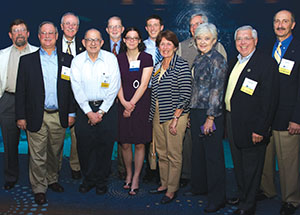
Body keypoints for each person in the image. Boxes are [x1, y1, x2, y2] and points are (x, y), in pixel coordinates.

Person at [15, 21, 75, 205]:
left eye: (51, 33)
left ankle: (52, 179)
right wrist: (20, 116)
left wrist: (71, 113)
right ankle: (39, 187)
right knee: (38, 154)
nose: (47, 36)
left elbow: (72, 89)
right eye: (43, 33)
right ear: (39, 36)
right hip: (35, 114)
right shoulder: (27, 61)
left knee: (55, 151)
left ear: (57, 36)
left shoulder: (68, 60)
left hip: (59, 114)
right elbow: (21, 91)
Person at [224, 25, 278, 215]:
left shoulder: (266, 63)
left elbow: (269, 100)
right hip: (233, 121)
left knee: (251, 168)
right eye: (239, 39)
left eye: (246, 38)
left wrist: (260, 129)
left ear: (255, 41)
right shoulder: (235, 62)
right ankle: (242, 194)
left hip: (252, 125)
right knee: (238, 164)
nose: (242, 43)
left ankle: (248, 205)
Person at [177, 13, 227, 188]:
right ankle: (199, 188)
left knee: (213, 156)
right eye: (200, 39)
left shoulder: (217, 60)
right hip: (197, 111)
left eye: (207, 38)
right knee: (199, 153)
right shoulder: (199, 58)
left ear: (213, 40)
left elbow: (216, 90)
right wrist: (190, 112)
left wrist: (210, 118)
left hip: (209, 113)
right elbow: (194, 89)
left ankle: (217, 197)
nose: (203, 42)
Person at [70, 29, 120, 195]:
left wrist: (101, 111)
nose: (93, 43)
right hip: (85, 110)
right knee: (85, 147)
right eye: (89, 40)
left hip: (107, 110)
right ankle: (88, 179)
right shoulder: (77, 61)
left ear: (102, 42)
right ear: (83, 42)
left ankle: (101, 181)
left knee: (104, 147)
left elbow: (114, 86)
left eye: (96, 40)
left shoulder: (110, 59)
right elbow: (76, 87)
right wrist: (89, 112)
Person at [259, 10, 300, 215]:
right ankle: (267, 190)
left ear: (293, 25)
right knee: (266, 158)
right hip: (267, 116)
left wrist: (297, 118)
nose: (280, 25)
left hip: (288, 117)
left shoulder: (298, 49)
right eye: (277, 21)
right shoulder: (267, 47)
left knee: (288, 161)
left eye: (285, 21)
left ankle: (291, 199)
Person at [149, 30, 192, 204]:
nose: (165, 47)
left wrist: (176, 118)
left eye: (168, 44)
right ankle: (164, 183)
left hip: (175, 114)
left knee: (174, 154)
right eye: (162, 44)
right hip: (158, 113)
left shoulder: (181, 65)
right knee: (162, 152)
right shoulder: (158, 65)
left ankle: (172, 189)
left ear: (175, 46)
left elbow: (186, 93)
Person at [0, 19, 38, 190]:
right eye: (16, 30)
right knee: (9, 142)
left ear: (28, 33)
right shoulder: (2, 55)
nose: (20, 33)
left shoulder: (39, 53)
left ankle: (36, 179)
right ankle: (10, 176)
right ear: (10, 35)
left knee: (35, 143)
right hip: (8, 100)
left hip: (31, 101)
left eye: (23, 29)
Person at [117, 27, 153, 195]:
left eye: (135, 38)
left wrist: (131, 105)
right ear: (124, 40)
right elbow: (115, 82)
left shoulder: (147, 58)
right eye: (128, 38)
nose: (132, 41)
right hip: (122, 102)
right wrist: (124, 103)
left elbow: (144, 84)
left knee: (139, 143)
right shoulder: (118, 58)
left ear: (140, 40)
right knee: (124, 143)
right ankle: (129, 174)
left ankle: (137, 177)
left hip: (141, 104)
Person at [57, 12, 85, 180]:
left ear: (78, 27)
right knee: (57, 137)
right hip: (58, 97)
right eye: (67, 23)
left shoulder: (84, 46)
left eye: (74, 24)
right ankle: (56, 167)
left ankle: (76, 166)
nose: (71, 27)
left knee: (77, 137)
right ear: (61, 26)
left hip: (78, 98)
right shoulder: (51, 45)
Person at [103, 16, 126, 180]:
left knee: (123, 136)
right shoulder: (100, 47)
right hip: (105, 99)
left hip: (124, 98)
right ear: (107, 30)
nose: (115, 30)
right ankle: (104, 166)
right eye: (111, 27)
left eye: (117, 26)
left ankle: (122, 168)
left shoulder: (131, 46)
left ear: (122, 29)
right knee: (105, 134)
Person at [142, 14, 164, 184]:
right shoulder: (141, 46)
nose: (153, 28)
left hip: (164, 93)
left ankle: (163, 169)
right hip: (146, 92)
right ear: (146, 28)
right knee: (148, 132)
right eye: (150, 25)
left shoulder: (168, 45)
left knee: (161, 132)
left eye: (156, 25)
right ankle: (150, 168)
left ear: (161, 27)